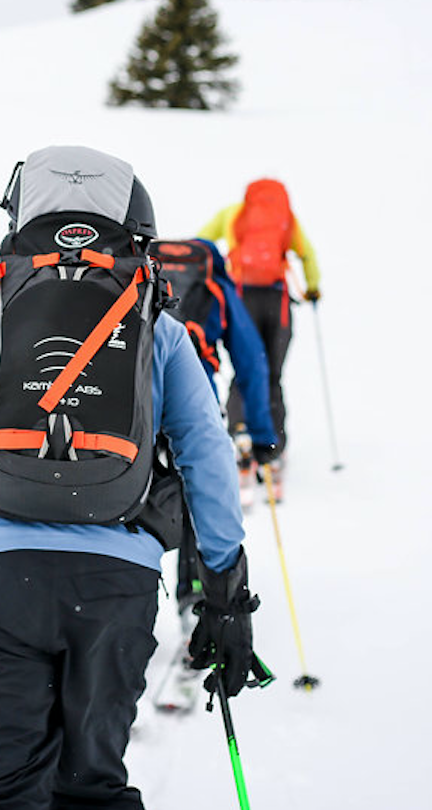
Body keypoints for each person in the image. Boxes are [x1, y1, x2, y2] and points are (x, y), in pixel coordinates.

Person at [0, 145, 260, 810]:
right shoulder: (160, 328)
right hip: (116, 585)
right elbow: (206, 454)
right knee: (90, 788)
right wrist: (225, 591)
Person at [150, 236, 278, 615]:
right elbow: (252, 362)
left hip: (134, 403)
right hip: (192, 403)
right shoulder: (216, 288)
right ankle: (196, 589)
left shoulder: (142, 279)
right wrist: (262, 435)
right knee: (196, 487)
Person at [198, 178, 320, 488]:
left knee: (245, 371)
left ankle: (239, 436)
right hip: (276, 303)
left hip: (240, 301)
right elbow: (307, 254)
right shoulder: (286, 219)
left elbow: (200, 243)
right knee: (272, 375)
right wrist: (312, 289)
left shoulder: (233, 213)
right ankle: (274, 448)